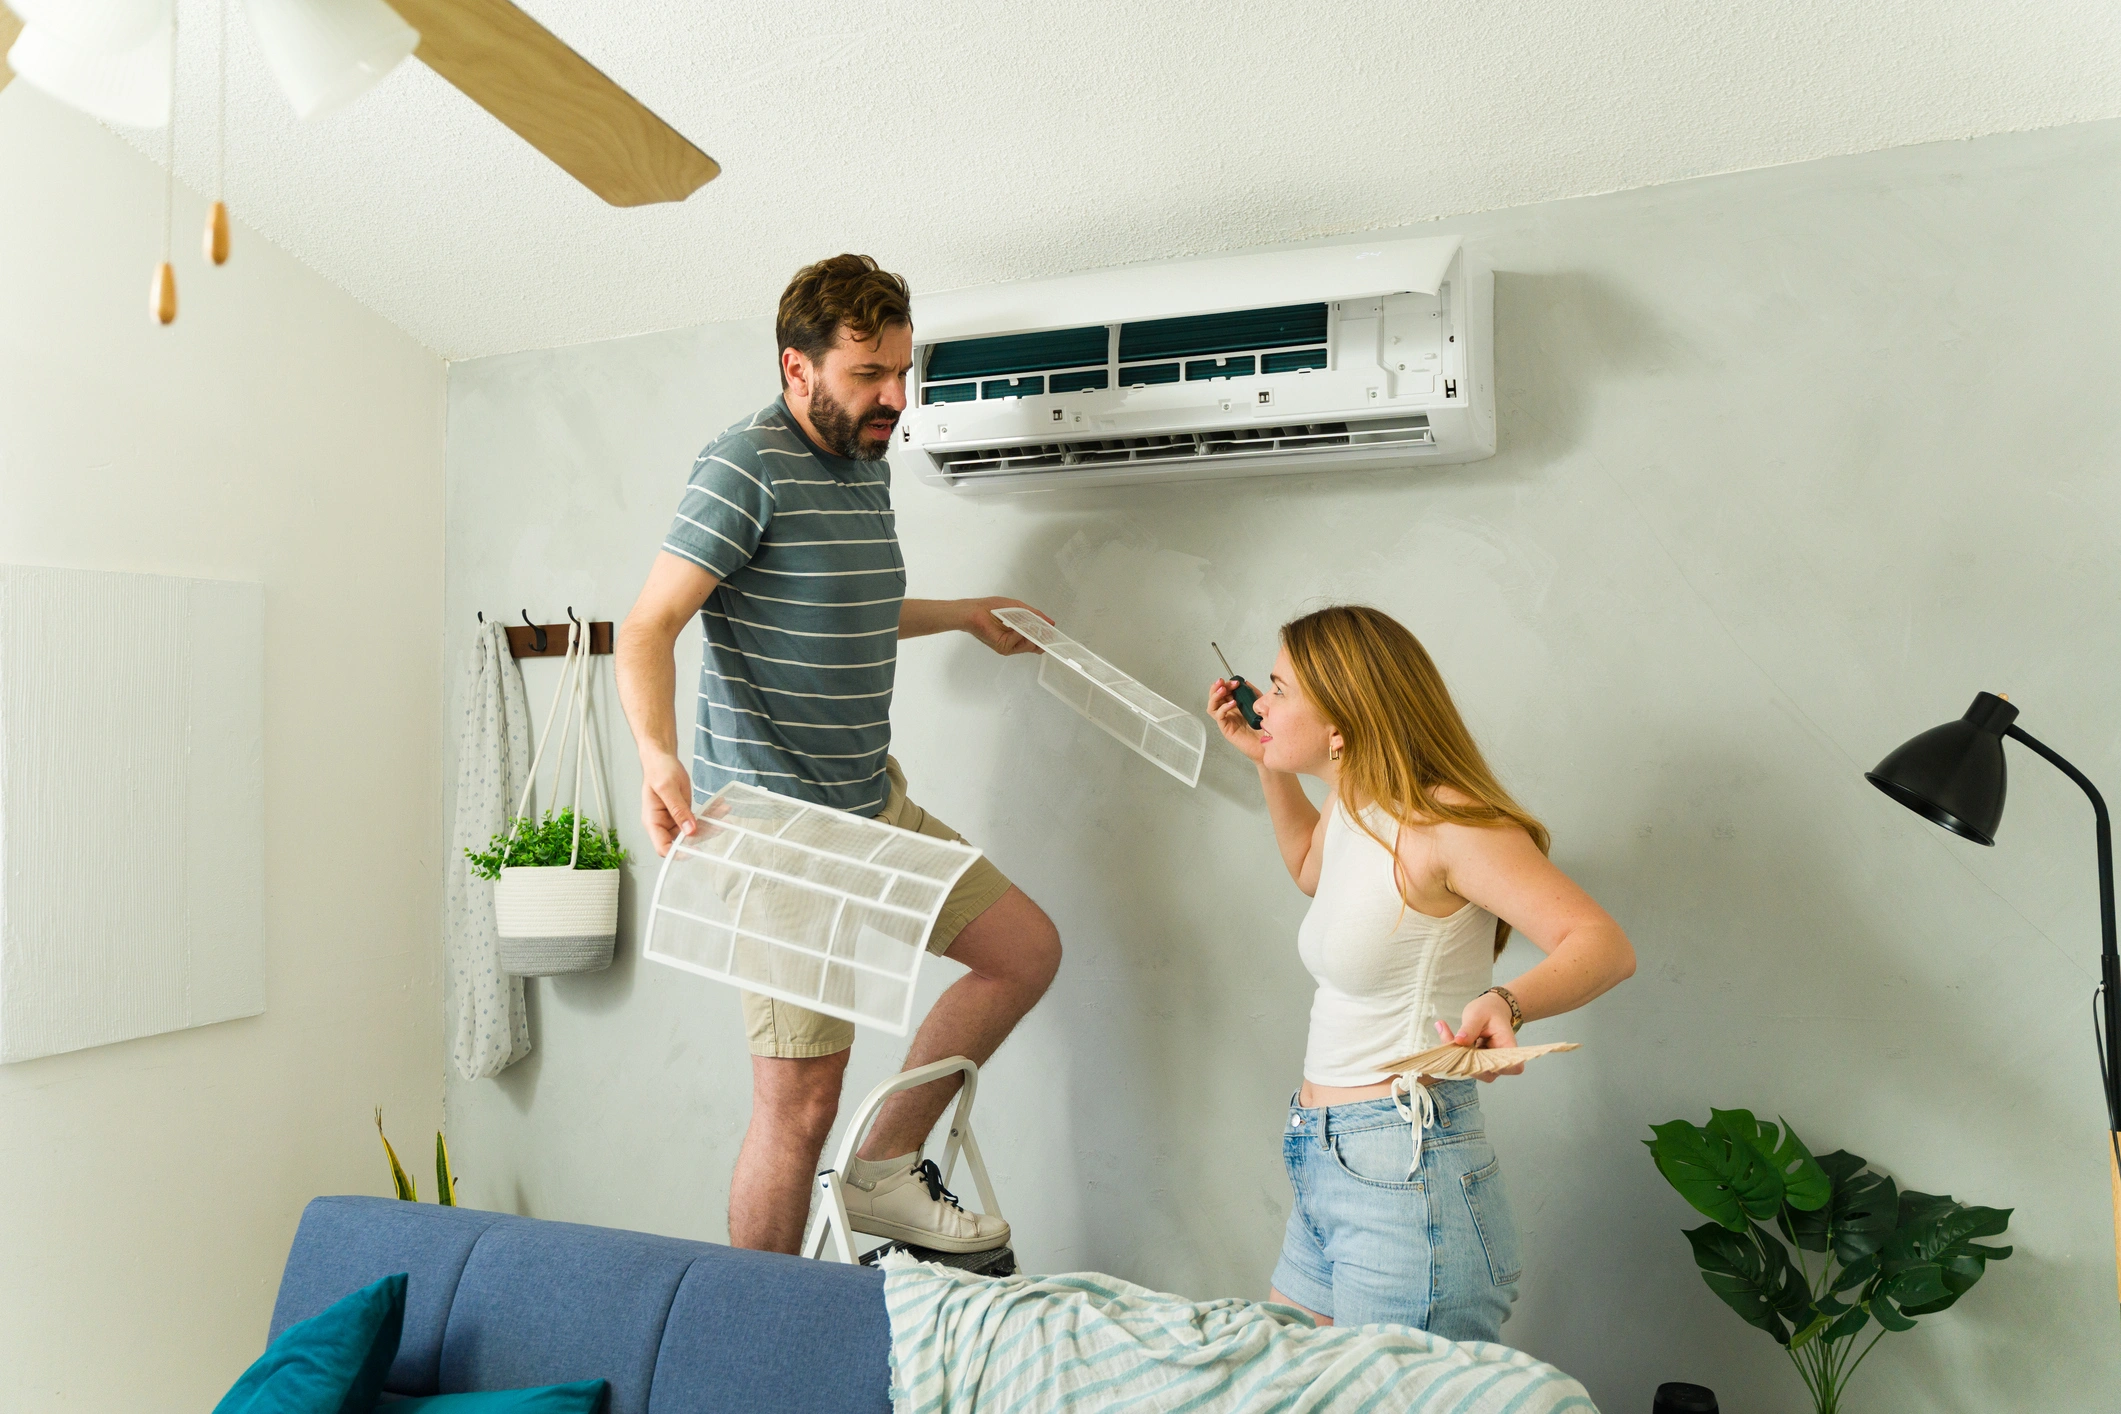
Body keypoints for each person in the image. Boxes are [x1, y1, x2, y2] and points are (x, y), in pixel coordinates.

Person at [617, 254, 1061, 1256]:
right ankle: (756, 1343)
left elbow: (837, 603)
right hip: (778, 832)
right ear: (796, 368)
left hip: (872, 804)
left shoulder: (865, 464)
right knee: (799, 1104)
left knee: (1023, 951)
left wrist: (958, 616)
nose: (894, 399)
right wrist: (656, 757)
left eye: (902, 372)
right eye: (869, 376)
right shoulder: (743, 463)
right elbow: (645, 627)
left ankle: (882, 1175)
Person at [1208, 605, 1635, 1341]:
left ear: (1341, 721)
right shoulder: (1357, 802)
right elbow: (1314, 871)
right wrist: (1265, 765)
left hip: (1404, 1174)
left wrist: (1507, 999)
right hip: (1323, 1153)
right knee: (1287, 1382)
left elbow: (1600, 943)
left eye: (1277, 690)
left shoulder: (1449, 821)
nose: (1259, 703)